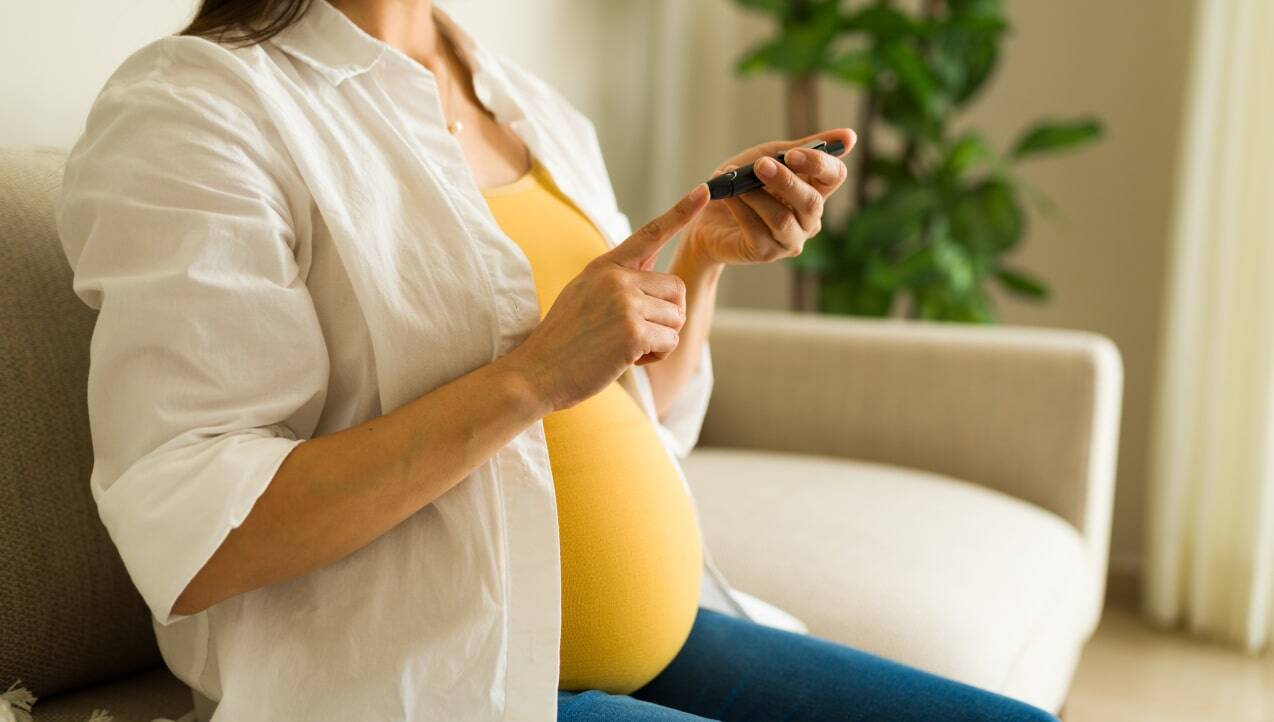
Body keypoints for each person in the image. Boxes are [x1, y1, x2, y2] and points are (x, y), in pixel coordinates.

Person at [57, 1, 1060, 720]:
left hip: (670, 635)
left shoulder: (529, 105)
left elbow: (635, 414)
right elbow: (196, 533)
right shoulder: (194, 110)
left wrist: (703, 264)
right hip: (438, 680)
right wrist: (529, 373)